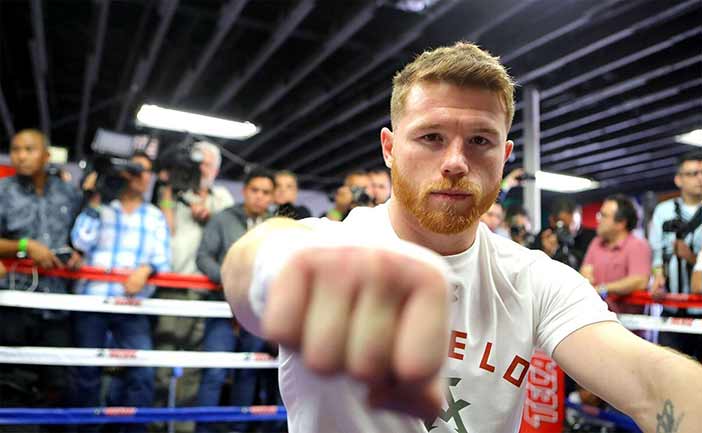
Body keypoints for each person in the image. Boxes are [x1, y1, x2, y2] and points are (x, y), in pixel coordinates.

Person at [220, 42, 702, 433]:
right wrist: (289, 273)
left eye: (480, 141)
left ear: (505, 155)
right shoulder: (328, 244)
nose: (454, 161)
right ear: (389, 148)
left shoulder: (534, 280)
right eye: (431, 137)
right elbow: (251, 262)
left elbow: (648, 381)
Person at [70, 150, 171, 432]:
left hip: (132, 305)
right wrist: (95, 197)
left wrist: (147, 269)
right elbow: (79, 240)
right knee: (85, 374)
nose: (141, 175)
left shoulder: (154, 216)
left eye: (146, 170)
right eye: (135, 168)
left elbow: (163, 257)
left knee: (142, 374)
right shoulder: (101, 207)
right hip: (93, 301)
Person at [153, 141, 234, 431]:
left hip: (205, 290)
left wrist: (208, 213)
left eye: (209, 165)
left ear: (217, 169)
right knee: (163, 362)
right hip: (173, 285)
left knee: (193, 366)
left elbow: (228, 234)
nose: (203, 170)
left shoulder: (222, 197)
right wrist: (168, 191)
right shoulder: (173, 191)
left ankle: (184, 427)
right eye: (199, 164)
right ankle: (157, 426)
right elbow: (165, 228)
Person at [0, 129, 82, 411]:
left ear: (46, 155)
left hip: (57, 303)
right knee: (11, 383)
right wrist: (24, 245)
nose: (21, 156)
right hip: (13, 300)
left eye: (29, 149)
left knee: (58, 383)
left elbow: (82, 236)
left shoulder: (69, 193)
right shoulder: (2, 190)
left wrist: (78, 253)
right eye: (15, 149)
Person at [195, 168, 276, 433]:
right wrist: (228, 278)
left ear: (272, 196)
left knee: (248, 373)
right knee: (215, 373)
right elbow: (204, 256)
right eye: (255, 190)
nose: (259, 197)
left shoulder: (275, 225)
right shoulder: (223, 219)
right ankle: (204, 430)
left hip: (257, 313)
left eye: (265, 192)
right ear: (244, 191)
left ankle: (238, 429)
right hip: (223, 308)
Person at [649, 151, 702, 361]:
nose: (700, 178)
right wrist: (658, 277)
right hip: (670, 310)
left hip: (700, 311)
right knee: (669, 373)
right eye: (693, 173)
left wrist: (690, 257)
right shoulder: (663, 211)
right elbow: (657, 255)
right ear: (678, 179)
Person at [580, 195, 651, 315]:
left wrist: (603, 288)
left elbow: (639, 281)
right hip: (598, 323)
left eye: (604, 216)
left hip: (628, 328)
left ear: (621, 223)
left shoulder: (638, 245)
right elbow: (586, 273)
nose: (599, 220)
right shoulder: (596, 243)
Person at [533, 198, 595, 269]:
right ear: (552, 221)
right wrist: (545, 253)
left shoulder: (592, 239)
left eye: (574, 224)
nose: (571, 230)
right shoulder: (544, 237)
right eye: (565, 227)